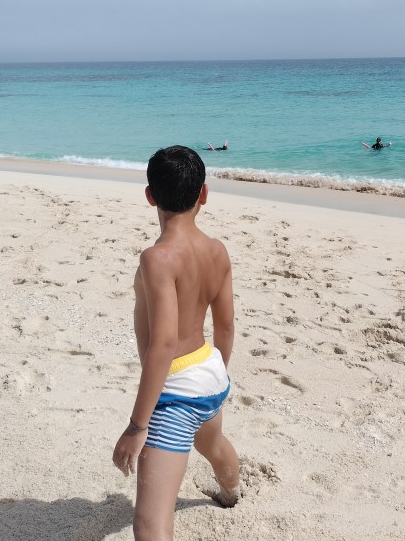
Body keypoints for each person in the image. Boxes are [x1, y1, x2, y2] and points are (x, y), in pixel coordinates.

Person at [112, 145, 240, 540]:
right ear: (204, 193)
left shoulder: (158, 258)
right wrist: (215, 372)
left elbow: (163, 344)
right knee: (214, 443)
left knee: (149, 523)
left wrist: (137, 425)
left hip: (177, 390)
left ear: (150, 196)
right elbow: (226, 326)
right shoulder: (216, 250)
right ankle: (233, 492)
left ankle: (232, 490)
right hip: (210, 372)